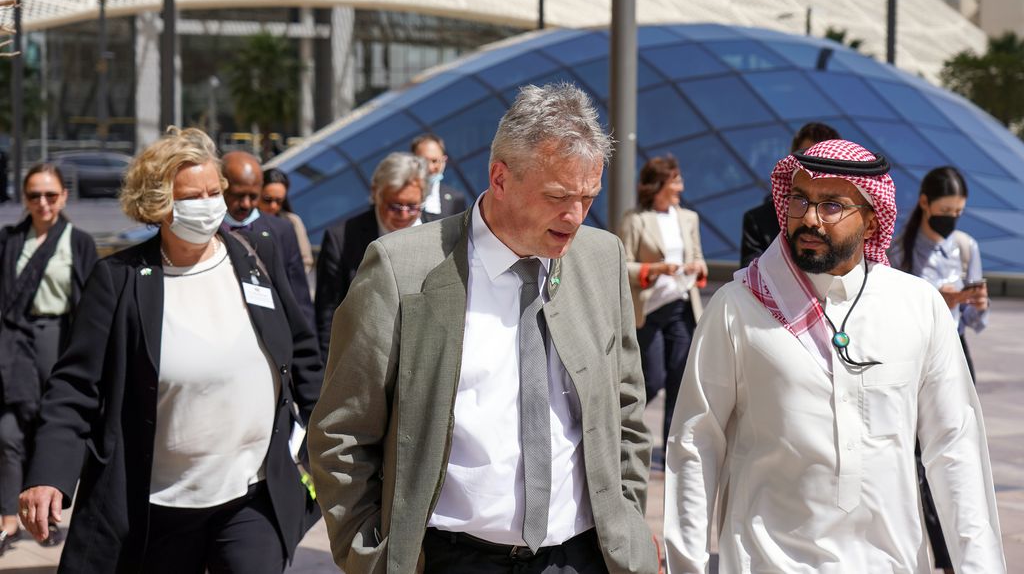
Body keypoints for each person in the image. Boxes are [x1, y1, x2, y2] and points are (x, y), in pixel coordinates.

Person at [309, 83, 658, 574]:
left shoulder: (600, 258)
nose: (575, 216)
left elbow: (626, 404)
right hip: (454, 558)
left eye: (588, 197)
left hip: (583, 556)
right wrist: (372, 558)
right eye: (558, 196)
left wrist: (627, 521)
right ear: (500, 178)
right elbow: (342, 433)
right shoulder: (401, 269)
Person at [664, 140, 1005, 573]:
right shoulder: (738, 306)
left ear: (869, 219)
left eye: (831, 206)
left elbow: (954, 446)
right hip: (768, 563)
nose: (809, 217)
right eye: (800, 200)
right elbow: (695, 444)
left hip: (891, 563)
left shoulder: (918, 305)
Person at [17, 128, 322, 574]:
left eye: (214, 191)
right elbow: (74, 388)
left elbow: (301, 353)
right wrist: (49, 474)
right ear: (159, 205)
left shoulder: (257, 255)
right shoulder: (119, 279)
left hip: (253, 496)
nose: (209, 204)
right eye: (192, 196)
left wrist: (324, 442)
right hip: (157, 505)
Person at [889, 165, 988, 574]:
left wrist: (975, 305)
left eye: (959, 211)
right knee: (920, 462)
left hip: (955, 353)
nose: (951, 218)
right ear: (925, 203)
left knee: (956, 458)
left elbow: (978, 322)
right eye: (945, 209)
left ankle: (954, 557)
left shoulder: (964, 246)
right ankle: (936, 554)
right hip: (912, 358)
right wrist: (934, 300)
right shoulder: (899, 251)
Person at [0, 165, 97, 553]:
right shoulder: (9, 240)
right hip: (13, 344)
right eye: (35, 195)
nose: (43, 203)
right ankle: (8, 516)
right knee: (8, 432)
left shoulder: (79, 241)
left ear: (64, 197)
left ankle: (45, 516)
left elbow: (91, 303)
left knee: (49, 428)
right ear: (24, 199)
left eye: (51, 195)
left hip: (59, 343)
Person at [618, 155, 706, 458]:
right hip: (650, 311)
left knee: (679, 383)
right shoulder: (636, 219)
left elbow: (698, 257)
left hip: (682, 308)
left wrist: (696, 266)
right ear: (659, 185)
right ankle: (622, 435)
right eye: (675, 180)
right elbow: (622, 264)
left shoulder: (689, 218)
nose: (681, 186)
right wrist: (653, 270)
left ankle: (672, 453)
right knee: (652, 380)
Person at [313, 152, 427, 360]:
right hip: (361, 359)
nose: (403, 215)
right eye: (394, 206)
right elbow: (328, 314)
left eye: (412, 207)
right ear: (376, 193)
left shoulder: (439, 234)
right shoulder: (342, 239)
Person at [221, 151, 315, 330]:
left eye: (253, 196)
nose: (246, 204)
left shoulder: (284, 229)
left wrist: (308, 352)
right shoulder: (209, 228)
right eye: (238, 195)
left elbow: (299, 298)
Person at [739, 122, 840, 267]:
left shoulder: (852, 216)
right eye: (808, 160)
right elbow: (751, 275)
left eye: (825, 161)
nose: (810, 220)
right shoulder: (759, 220)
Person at [259, 168, 314, 276]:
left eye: (279, 201)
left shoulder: (292, 222)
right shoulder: (247, 223)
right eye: (267, 199)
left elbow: (306, 260)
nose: (273, 206)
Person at [411, 133, 467, 222]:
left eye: (434, 161)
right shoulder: (401, 196)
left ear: (444, 161)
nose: (429, 167)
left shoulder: (456, 199)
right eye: (424, 161)